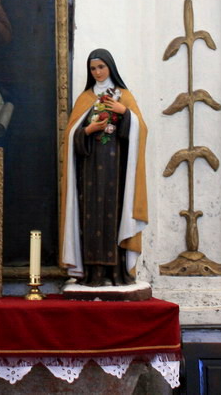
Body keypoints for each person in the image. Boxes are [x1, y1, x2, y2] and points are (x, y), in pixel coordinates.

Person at [59, 48, 149, 286]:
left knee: (114, 216)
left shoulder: (123, 95)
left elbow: (141, 129)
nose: (97, 72)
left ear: (110, 67)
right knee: (90, 217)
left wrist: (124, 113)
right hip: (89, 169)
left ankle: (117, 274)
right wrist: (89, 130)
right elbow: (71, 136)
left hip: (116, 170)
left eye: (101, 67)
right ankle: (92, 274)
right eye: (93, 68)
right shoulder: (85, 98)